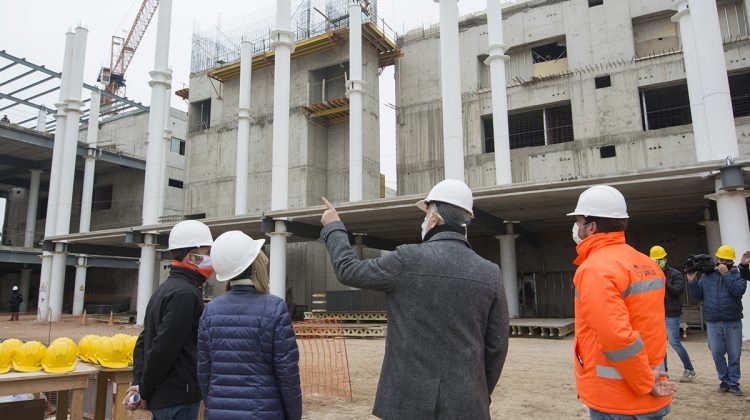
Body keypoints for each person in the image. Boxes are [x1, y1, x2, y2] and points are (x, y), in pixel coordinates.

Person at [319, 179, 509, 420]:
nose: (424, 220)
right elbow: (497, 346)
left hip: (406, 403)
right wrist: (478, 391)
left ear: (435, 218)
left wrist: (334, 227)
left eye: (426, 213)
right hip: (467, 403)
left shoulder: (406, 259)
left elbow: (347, 269)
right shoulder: (490, 272)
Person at [569, 185, 676, 419]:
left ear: (592, 226)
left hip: (619, 399)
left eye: (579, 221)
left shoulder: (595, 269)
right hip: (649, 391)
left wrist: (645, 382)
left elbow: (616, 337)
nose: (576, 228)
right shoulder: (647, 264)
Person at [197, 231, 301, 419]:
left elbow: (204, 373)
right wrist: (294, 415)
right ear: (255, 264)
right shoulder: (275, 308)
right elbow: (288, 375)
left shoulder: (210, 310)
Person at [124, 220, 214, 419]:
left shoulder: (165, 289)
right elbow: (164, 348)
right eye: (207, 253)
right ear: (192, 257)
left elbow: (143, 341)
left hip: (166, 395)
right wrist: (144, 391)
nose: (212, 259)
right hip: (177, 396)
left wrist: (138, 382)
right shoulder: (186, 294)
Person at [687, 245, 747, 396]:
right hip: (713, 321)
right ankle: (724, 380)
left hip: (732, 321)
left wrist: (726, 275)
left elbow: (738, 291)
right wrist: (692, 282)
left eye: (725, 260)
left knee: (734, 353)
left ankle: (734, 382)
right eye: (720, 259)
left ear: (731, 262)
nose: (721, 263)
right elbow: (699, 296)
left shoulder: (739, 275)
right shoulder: (707, 276)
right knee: (716, 353)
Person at [649, 245, 696, 383]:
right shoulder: (649, 274)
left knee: (674, 342)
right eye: (655, 260)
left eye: (659, 259)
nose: (657, 262)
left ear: (665, 258)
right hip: (656, 313)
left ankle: (689, 369)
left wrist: (663, 280)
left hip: (671, 313)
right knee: (659, 344)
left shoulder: (675, 274)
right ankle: (664, 371)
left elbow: (678, 291)